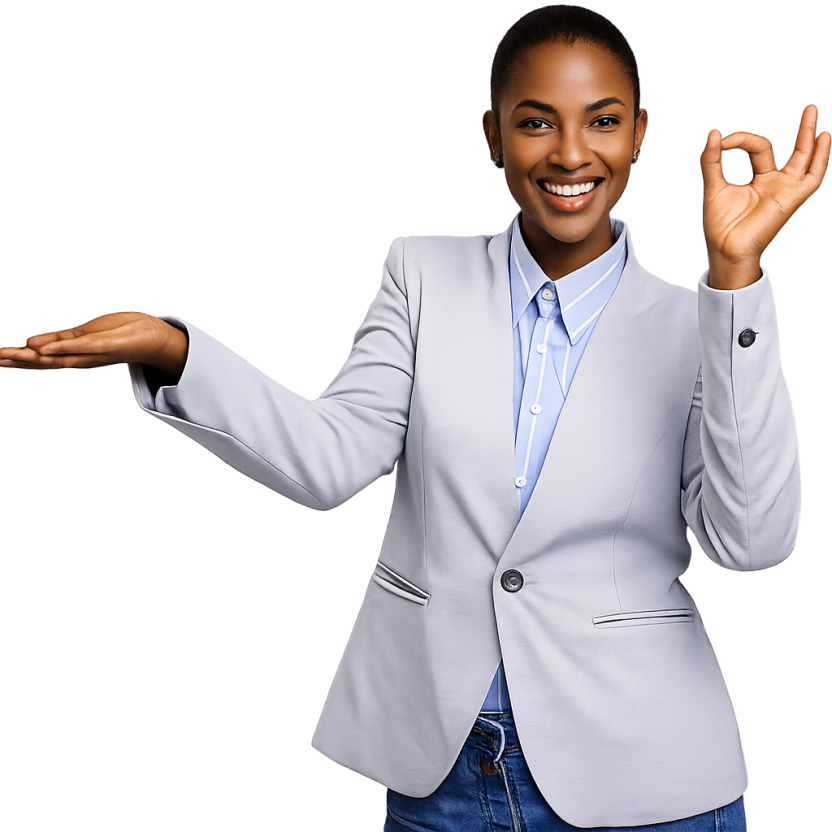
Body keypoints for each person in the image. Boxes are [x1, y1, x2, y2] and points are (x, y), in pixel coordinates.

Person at [1, 4, 827, 829]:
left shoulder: (699, 324)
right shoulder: (420, 273)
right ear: (492, 135)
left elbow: (752, 542)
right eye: (536, 122)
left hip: (646, 778)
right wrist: (176, 350)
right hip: (443, 772)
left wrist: (735, 279)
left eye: (603, 121)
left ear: (640, 133)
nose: (572, 153)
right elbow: (328, 462)